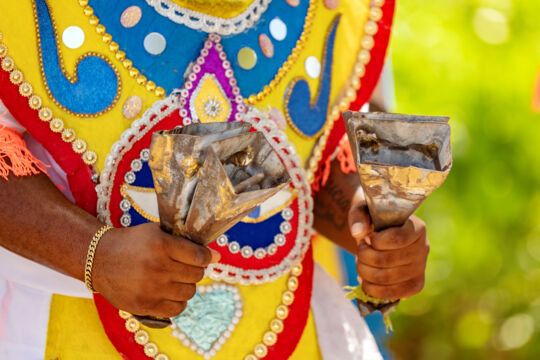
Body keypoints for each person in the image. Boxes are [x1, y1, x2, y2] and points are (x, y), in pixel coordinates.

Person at [0, 0, 428, 359]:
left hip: (293, 329)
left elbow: (313, 147)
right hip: (64, 331)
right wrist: (95, 255)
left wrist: (369, 229)